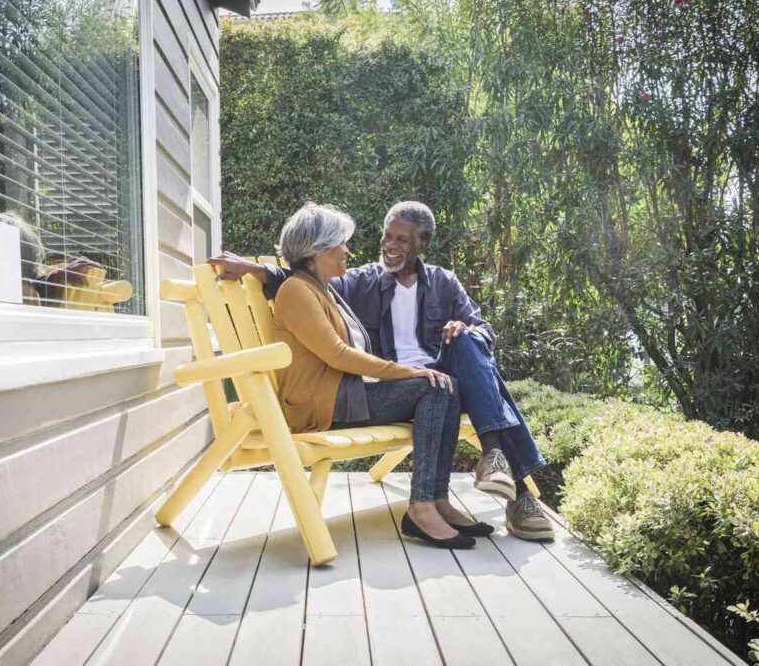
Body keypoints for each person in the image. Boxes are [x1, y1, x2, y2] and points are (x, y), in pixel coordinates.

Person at [211, 201, 555, 541]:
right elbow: (306, 293)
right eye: (385, 237)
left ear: (422, 244)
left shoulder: (443, 283)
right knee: (444, 385)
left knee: (467, 346)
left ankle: (449, 490)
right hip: (363, 392)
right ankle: (491, 491)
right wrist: (254, 269)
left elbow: (484, 331)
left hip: (429, 378)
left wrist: (464, 331)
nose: (387, 246)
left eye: (401, 240)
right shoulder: (352, 283)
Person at [269, 202, 493, 549]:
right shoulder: (298, 291)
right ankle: (421, 506)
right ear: (316, 252)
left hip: (345, 396)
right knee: (434, 387)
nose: (348, 250)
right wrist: (409, 372)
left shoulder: (323, 289)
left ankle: (435, 500)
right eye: (340, 244)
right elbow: (339, 355)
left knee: (446, 386)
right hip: (323, 408)